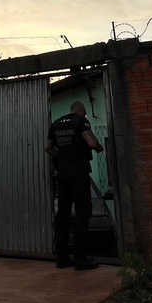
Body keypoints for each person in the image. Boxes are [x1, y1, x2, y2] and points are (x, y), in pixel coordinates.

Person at [45, 101, 104, 271]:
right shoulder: (80, 121)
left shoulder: (55, 124)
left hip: (63, 172)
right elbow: (91, 142)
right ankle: (81, 258)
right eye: (84, 112)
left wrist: (62, 156)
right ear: (80, 109)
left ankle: (62, 258)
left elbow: (48, 148)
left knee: (63, 214)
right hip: (79, 171)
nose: (85, 115)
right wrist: (99, 147)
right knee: (83, 212)